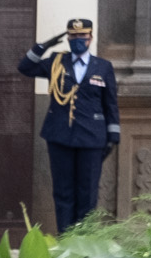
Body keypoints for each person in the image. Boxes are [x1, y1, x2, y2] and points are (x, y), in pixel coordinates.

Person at [17, 17, 121, 229]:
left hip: (92, 138)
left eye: (82, 35)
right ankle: (65, 240)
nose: (77, 39)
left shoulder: (103, 67)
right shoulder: (56, 62)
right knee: (63, 192)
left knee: (87, 193)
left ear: (90, 38)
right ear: (67, 38)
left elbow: (110, 104)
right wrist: (43, 46)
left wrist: (113, 137)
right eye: (73, 36)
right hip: (60, 135)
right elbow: (25, 67)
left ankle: (83, 243)